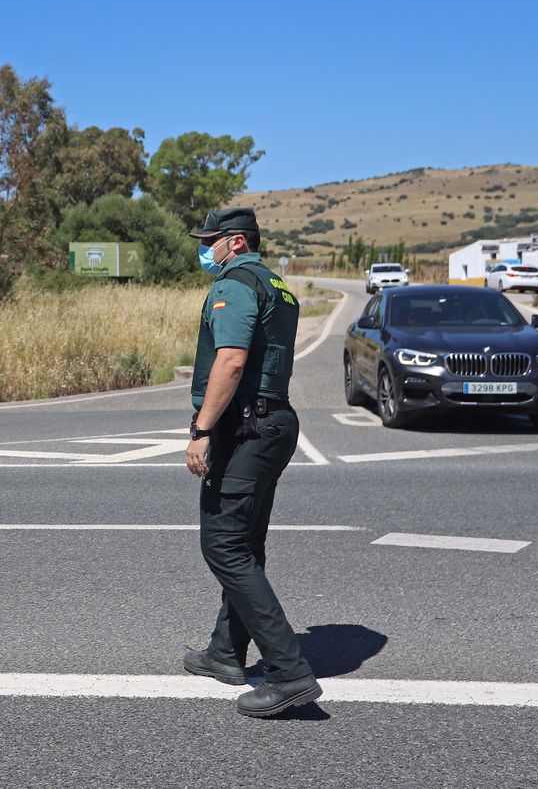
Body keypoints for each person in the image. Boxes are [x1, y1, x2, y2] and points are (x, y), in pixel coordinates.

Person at [180, 206, 322, 717]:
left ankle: (289, 672)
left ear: (236, 242)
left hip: (246, 428)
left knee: (223, 546)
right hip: (274, 422)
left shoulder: (234, 284)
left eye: (212, 240)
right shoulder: (278, 286)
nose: (206, 248)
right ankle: (225, 652)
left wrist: (201, 431)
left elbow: (232, 359)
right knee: (245, 544)